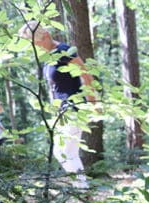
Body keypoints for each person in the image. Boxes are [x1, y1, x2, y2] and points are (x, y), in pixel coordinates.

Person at [18, 21, 95, 187]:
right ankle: (83, 190)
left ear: (45, 36)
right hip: (61, 111)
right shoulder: (49, 55)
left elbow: (87, 75)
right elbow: (55, 87)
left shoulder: (63, 51)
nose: (34, 48)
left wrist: (93, 103)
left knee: (63, 152)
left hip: (74, 108)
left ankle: (82, 189)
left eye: (35, 43)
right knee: (68, 152)